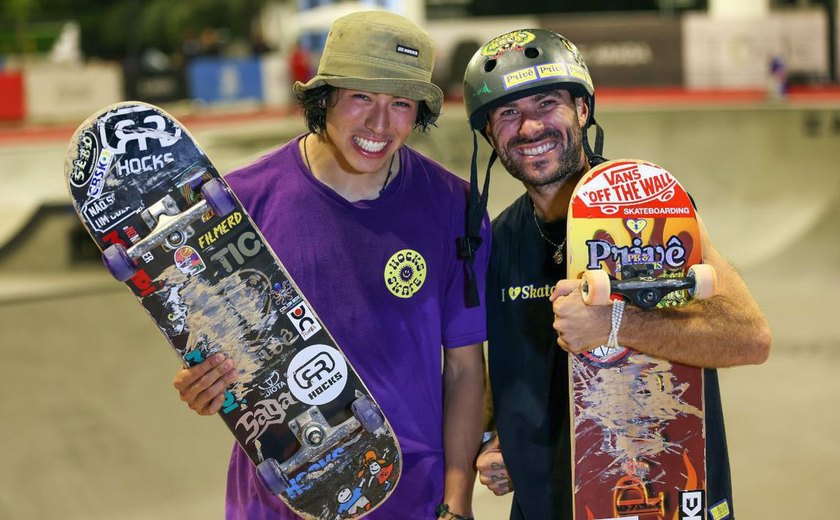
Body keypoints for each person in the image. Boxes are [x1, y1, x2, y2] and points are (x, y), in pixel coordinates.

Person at [172, 11, 488, 520]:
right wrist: (205, 387)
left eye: (400, 104)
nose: (379, 125)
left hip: (414, 496)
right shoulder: (242, 205)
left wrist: (457, 502)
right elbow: (220, 358)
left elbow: (466, 371)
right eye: (362, 96)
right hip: (281, 498)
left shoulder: (455, 208)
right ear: (325, 99)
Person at [464, 29, 772, 518]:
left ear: (582, 110)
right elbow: (502, 367)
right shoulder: (496, 242)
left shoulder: (651, 210)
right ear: (488, 133)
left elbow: (749, 339)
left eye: (546, 103)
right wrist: (495, 436)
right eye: (507, 113)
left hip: (662, 500)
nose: (528, 128)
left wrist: (616, 325)